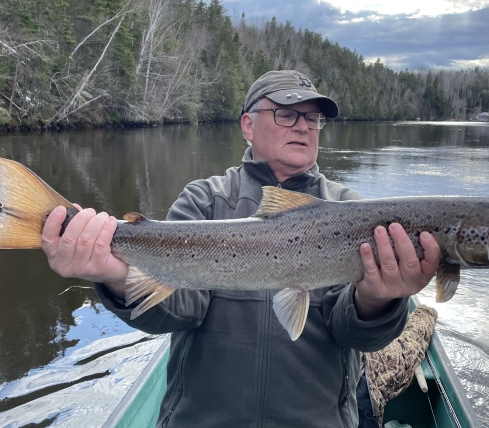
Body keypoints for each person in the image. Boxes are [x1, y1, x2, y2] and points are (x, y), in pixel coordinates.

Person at [41, 70, 441, 428]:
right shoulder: (204, 200)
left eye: (313, 118)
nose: (304, 127)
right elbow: (181, 309)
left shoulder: (350, 210)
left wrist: (377, 298)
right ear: (248, 125)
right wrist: (115, 274)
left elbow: (353, 334)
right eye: (287, 114)